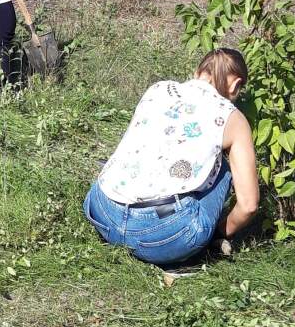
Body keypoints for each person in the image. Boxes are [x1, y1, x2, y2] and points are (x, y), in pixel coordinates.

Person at [83, 47, 259, 267]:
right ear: (235, 85)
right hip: (161, 237)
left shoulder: (159, 89)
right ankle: (211, 240)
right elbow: (249, 205)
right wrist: (221, 230)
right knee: (223, 167)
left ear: (198, 72)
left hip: (101, 210)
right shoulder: (231, 117)